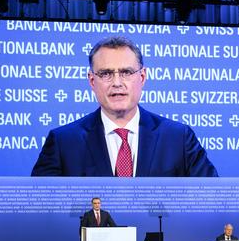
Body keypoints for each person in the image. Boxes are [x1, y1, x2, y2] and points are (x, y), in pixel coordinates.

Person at [31, 36, 218, 177]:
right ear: (91, 80)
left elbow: (210, 199)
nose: (117, 83)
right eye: (105, 74)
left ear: (142, 77)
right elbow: (39, 211)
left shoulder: (178, 138)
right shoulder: (63, 142)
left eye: (126, 72)